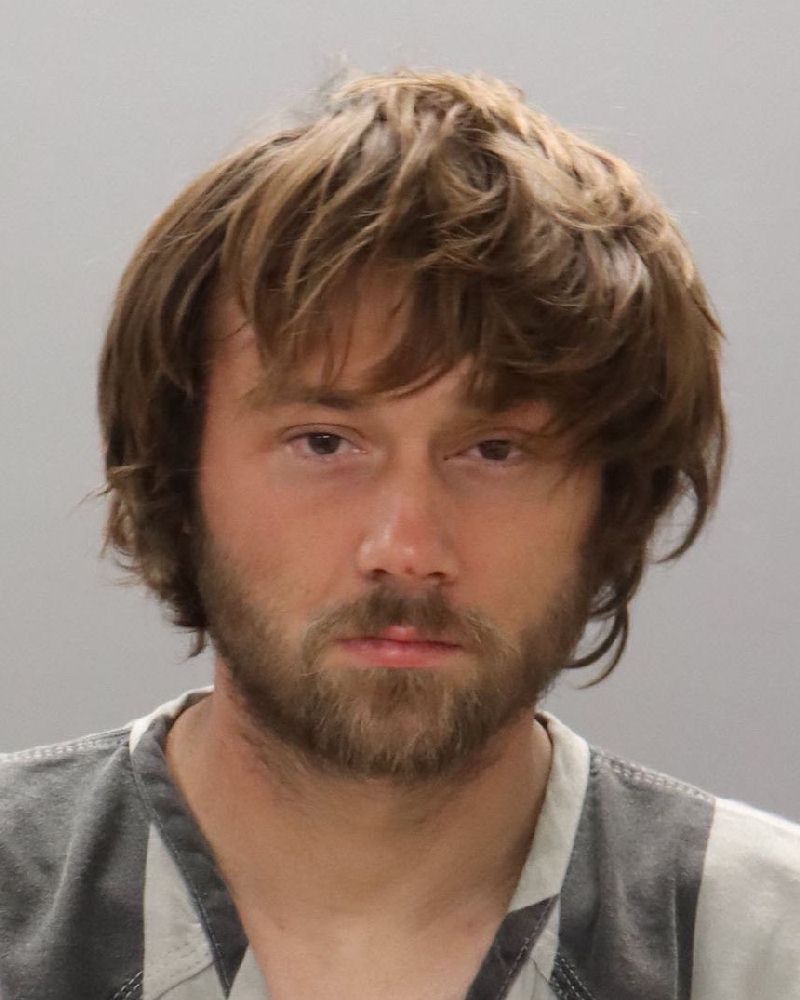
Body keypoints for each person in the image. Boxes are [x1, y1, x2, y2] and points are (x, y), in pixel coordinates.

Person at [1, 69, 798, 1000]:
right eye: (324, 442)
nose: (407, 548)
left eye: (495, 450)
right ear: (178, 476)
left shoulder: (765, 946)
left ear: (614, 503)